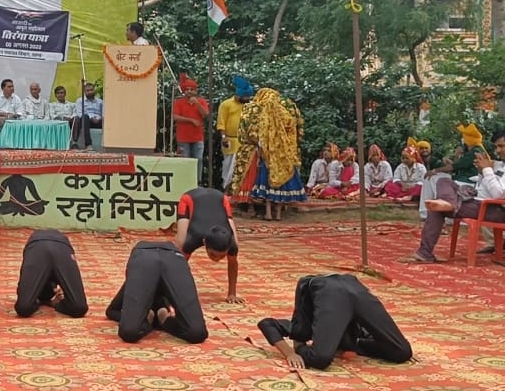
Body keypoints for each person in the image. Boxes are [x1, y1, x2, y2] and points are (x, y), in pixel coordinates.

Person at [258, 274, 412, 370]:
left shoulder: (351, 331)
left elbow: (267, 323)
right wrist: (290, 353)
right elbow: (266, 324)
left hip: (347, 286)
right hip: (329, 288)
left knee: (402, 351)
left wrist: (295, 350)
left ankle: (328, 346)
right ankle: (313, 348)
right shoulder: (305, 327)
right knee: (320, 358)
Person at [402, 130, 505, 264]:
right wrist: (481, 172)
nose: (497, 150)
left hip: (495, 209)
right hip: (478, 201)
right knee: (443, 181)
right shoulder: (500, 164)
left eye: (501, 146)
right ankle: (449, 203)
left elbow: (499, 194)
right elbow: (484, 187)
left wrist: (487, 170)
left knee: (437, 209)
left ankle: (425, 252)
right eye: (497, 146)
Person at [106, 241, 208, 344]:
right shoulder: (145, 284)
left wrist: (152, 320)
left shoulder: (159, 288)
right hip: (146, 253)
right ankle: (158, 320)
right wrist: (153, 320)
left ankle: (158, 319)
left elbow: (112, 311)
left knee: (197, 333)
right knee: (129, 332)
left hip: (168, 255)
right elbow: (112, 311)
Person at [229, 87, 306, 221]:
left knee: (258, 178)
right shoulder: (286, 107)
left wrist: (259, 144)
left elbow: (245, 132)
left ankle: (253, 207)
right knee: (278, 180)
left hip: (257, 150)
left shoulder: (252, 108)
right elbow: (296, 128)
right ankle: (278, 211)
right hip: (282, 153)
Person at [172, 187, 242, 303]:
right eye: (213, 255)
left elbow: (233, 264)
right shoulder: (193, 239)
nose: (217, 260)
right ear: (204, 242)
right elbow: (177, 267)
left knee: (236, 243)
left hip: (220, 198)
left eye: (221, 256)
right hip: (191, 198)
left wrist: (232, 293)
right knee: (179, 247)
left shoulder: (231, 244)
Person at [14, 230, 88, 319]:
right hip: (51, 245)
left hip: (43, 244)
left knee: (24, 308)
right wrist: (58, 303)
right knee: (79, 308)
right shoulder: (50, 284)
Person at [172, 73, 210, 184]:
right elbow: (175, 117)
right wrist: (190, 120)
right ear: (184, 91)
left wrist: (197, 104)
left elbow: (206, 114)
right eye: (187, 89)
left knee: (199, 160)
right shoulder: (178, 102)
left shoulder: (201, 101)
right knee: (185, 161)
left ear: (195, 91)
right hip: (183, 138)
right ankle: (185, 182)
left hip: (198, 138)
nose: (189, 91)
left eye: (191, 89)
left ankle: (197, 181)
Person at [217, 77, 254, 189]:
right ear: (238, 95)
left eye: (248, 96)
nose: (247, 98)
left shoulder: (250, 106)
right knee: (229, 167)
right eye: (245, 96)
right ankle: (227, 189)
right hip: (230, 140)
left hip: (245, 142)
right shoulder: (226, 104)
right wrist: (223, 137)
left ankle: (241, 192)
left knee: (243, 168)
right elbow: (221, 123)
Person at [0, 79, 24, 146]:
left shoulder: (16, 98)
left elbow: (20, 112)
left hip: (13, 119)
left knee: (21, 120)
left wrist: (14, 115)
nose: (12, 88)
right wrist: (3, 114)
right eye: (9, 87)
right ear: (3, 88)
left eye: (12, 86)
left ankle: (18, 143)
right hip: (1, 118)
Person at [70, 82, 103, 150]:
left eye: (91, 90)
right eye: (88, 91)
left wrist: (98, 119)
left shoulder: (100, 102)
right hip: (86, 121)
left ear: (94, 90)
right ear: (84, 92)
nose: (90, 92)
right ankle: (88, 145)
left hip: (98, 121)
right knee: (85, 117)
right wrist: (91, 118)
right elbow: (79, 113)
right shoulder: (80, 101)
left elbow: (103, 113)